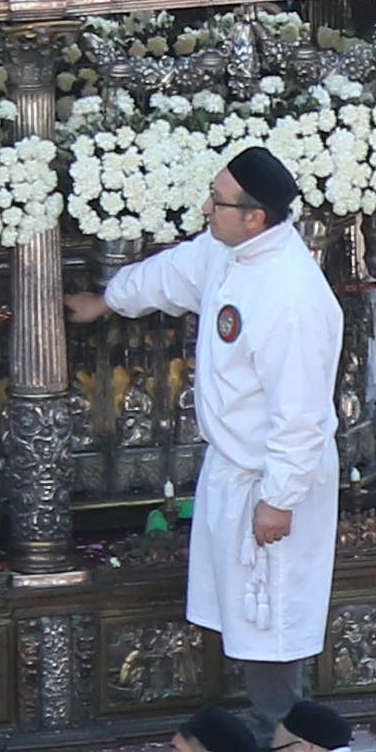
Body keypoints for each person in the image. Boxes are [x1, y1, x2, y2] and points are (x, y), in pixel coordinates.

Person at [82, 146, 344, 722]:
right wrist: (107, 300)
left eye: (217, 201)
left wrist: (278, 499)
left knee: (270, 617)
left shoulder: (291, 294)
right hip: (233, 468)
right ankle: (264, 727)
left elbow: (300, 413)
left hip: (272, 476)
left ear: (255, 217)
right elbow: (174, 272)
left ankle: (286, 737)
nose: (206, 208)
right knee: (241, 614)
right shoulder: (229, 252)